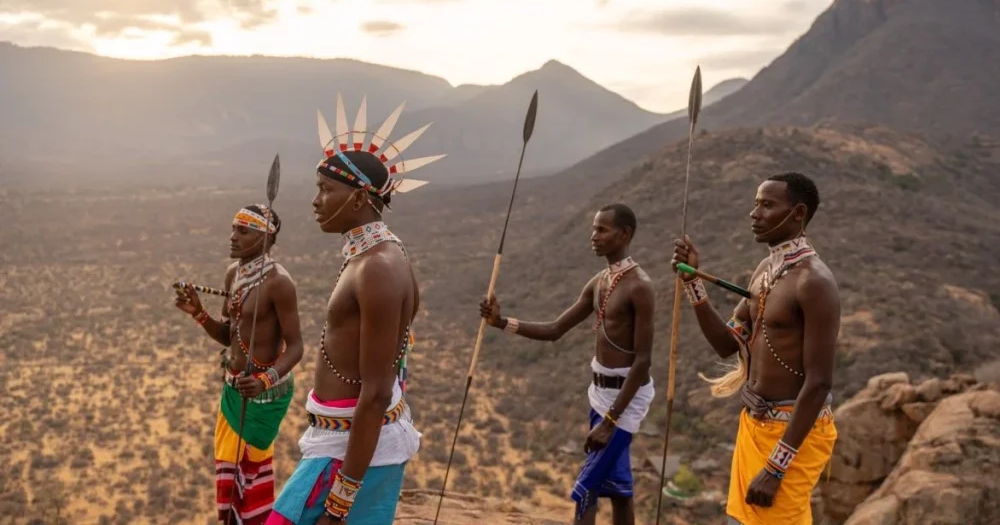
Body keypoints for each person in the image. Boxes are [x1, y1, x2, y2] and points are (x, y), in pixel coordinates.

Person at [267, 94, 444, 524]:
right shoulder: (371, 256)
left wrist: (339, 502)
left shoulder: (378, 269)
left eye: (327, 189)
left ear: (361, 197)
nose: (315, 201)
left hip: (350, 449)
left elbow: (378, 390)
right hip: (345, 441)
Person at [671, 172, 840, 525]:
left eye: (767, 204)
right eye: (755, 204)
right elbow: (726, 345)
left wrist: (777, 467)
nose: (754, 213)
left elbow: (820, 382)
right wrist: (692, 285)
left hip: (793, 434)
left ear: (797, 213)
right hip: (755, 425)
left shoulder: (814, 282)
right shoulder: (766, 270)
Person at [480, 203, 656, 525]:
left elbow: (643, 361)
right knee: (618, 489)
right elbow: (554, 330)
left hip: (623, 401)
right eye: (594, 228)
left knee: (587, 486)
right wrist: (502, 322)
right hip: (600, 395)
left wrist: (610, 421)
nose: (594, 236)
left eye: (602, 230)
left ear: (625, 234)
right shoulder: (599, 282)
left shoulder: (639, 287)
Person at [174, 203, 304, 524]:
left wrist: (265, 380)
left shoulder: (279, 283)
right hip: (234, 391)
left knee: (251, 482)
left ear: (266, 238)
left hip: (262, 398)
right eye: (233, 228)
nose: (232, 237)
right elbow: (228, 335)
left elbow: (297, 346)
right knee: (230, 483)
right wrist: (200, 314)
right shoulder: (234, 273)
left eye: (243, 231)